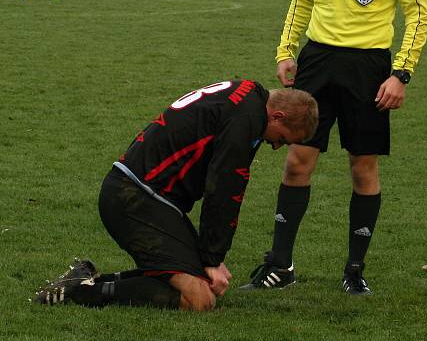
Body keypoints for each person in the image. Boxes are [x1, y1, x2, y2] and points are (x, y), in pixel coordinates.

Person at [241, 0, 427, 296]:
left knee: (363, 169)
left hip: (369, 68)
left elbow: (418, 15)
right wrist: (287, 50)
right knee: (296, 161)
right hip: (318, 63)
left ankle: (354, 269)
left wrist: (400, 74)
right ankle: (281, 265)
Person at [32, 82, 318, 311]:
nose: (277, 146)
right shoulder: (247, 118)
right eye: (282, 138)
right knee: (200, 300)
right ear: (277, 116)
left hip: (145, 195)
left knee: (197, 283)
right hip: (134, 199)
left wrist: (209, 257)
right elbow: (223, 190)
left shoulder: (245, 94)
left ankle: (84, 280)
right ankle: (85, 293)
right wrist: (212, 258)